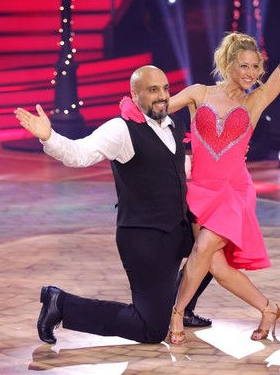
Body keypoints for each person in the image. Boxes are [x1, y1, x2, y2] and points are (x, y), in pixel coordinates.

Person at [121, 14, 280, 343]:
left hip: (234, 190)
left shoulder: (256, 100)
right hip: (201, 190)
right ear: (230, 64)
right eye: (245, 66)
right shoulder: (199, 93)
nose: (252, 74)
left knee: (203, 249)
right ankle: (268, 308)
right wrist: (135, 106)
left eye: (256, 67)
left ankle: (176, 315)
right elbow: (157, 111)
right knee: (215, 266)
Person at [14, 65, 210, 344]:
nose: (162, 96)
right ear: (134, 94)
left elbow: (173, 167)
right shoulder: (121, 129)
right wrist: (49, 136)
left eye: (165, 88)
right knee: (150, 330)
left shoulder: (173, 124)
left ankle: (181, 308)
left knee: (215, 248)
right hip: (145, 237)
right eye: (153, 89)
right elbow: (78, 154)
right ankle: (61, 304)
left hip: (177, 227)